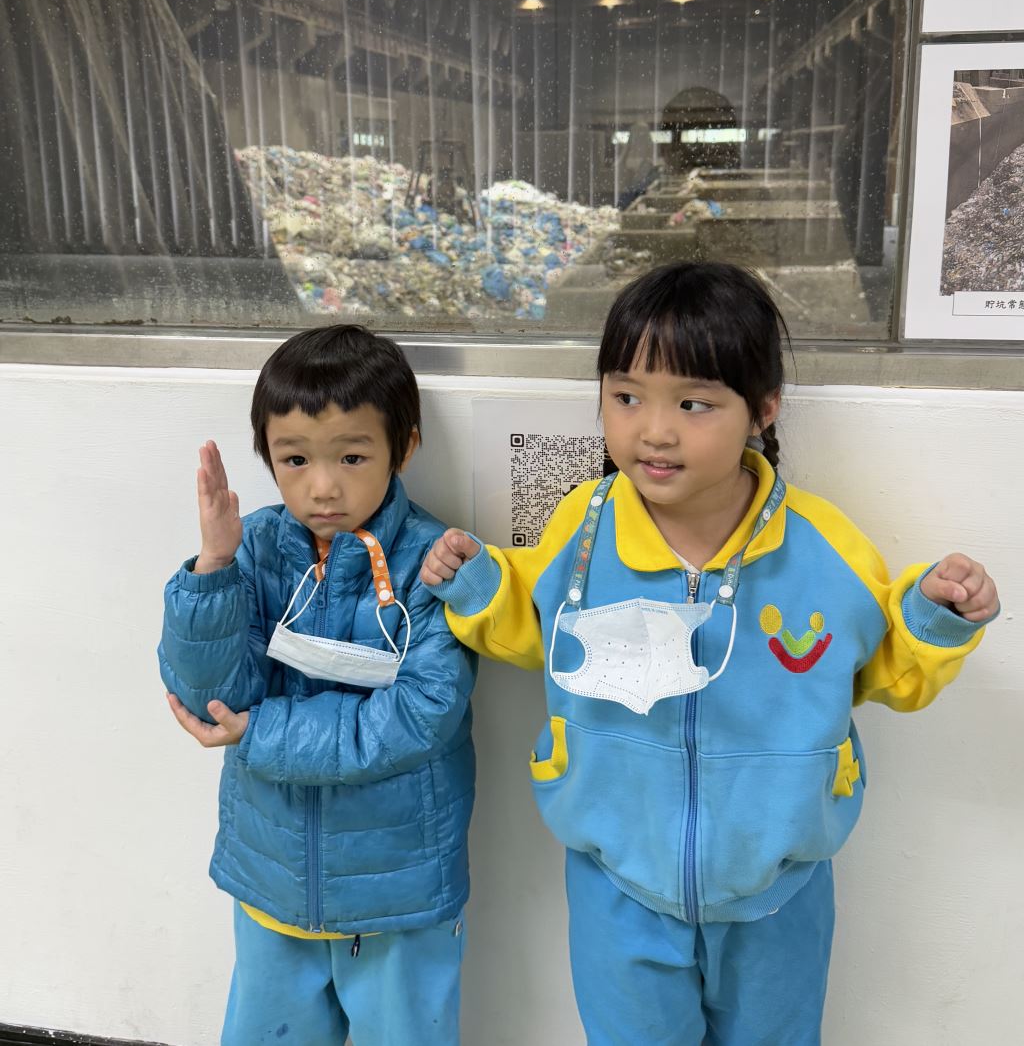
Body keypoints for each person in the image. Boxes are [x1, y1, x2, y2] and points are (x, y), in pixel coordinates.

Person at [420, 261, 999, 1046]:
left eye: (693, 403)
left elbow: (886, 670)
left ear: (763, 407)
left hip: (780, 890)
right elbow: (535, 625)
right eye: (626, 397)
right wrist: (477, 584)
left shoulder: (823, 549)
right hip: (617, 884)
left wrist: (934, 617)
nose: (654, 431)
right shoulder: (584, 531)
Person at [159, 324, 476, 1046]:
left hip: (398, 891)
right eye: (295, 458)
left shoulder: (434, 562)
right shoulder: (254, 548)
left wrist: (260, 730)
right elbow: (209, 700)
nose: (322, 486)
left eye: (352, 456)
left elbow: (422, 715)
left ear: (404, 447)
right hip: (270, 880)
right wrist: (213, 567)